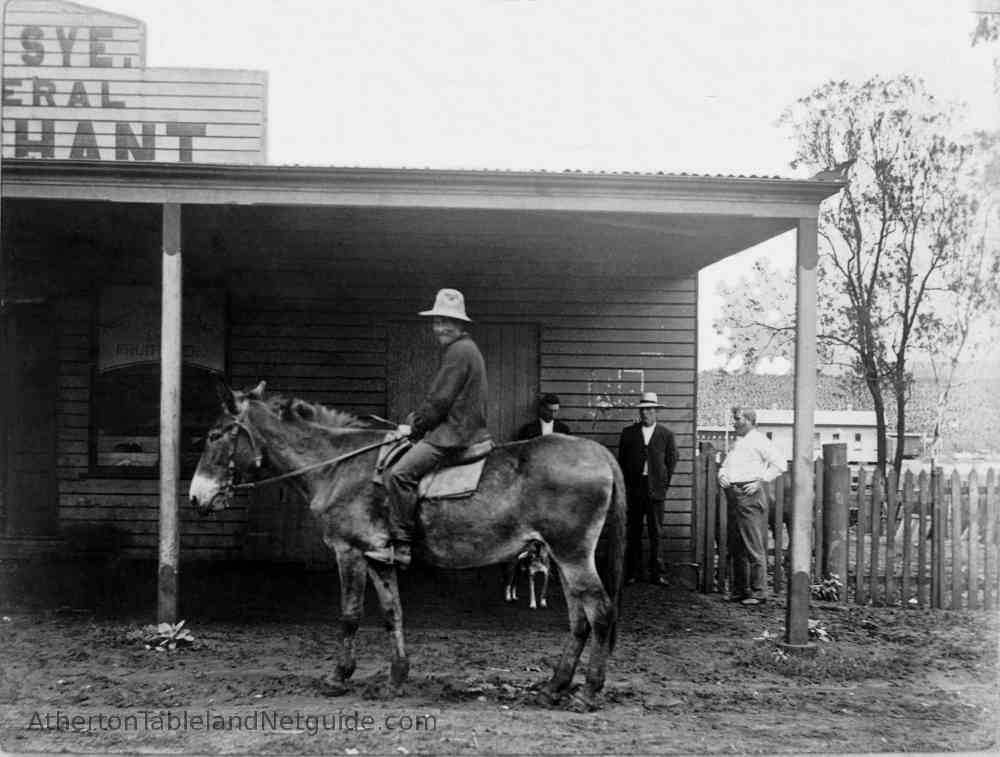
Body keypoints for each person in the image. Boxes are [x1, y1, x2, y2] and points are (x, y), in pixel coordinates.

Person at [365, 288, 491, 568]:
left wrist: (415, 427)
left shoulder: (459, 351)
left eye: (448, 321)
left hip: (454, 434)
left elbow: (440, 400)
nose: (441, 327)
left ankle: (401, 546)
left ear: (460, 325)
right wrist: (416, 420)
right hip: (462, 427)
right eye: (437, 321)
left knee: (399, 474)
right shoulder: (464, 349)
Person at [717, 406, 787, 605]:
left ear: (748, 420)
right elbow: (725, 467)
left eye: (737, 419)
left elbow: (780, 464)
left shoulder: (759, 440)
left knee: (753, 546)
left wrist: (760, 481)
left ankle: (759, 592)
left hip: (750, 497)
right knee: (736, 546)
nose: (734, 422)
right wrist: (721, 475)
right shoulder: (739, 443)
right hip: (733, 496)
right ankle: (741, 590)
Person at [617, 392, 677, 586]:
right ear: (640, 411)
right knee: (634, 531)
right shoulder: (628, 433)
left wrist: (663, 485)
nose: (646, 414)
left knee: (656, 532)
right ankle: (634, 572)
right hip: (635, 489)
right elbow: (622, 462)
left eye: (650, 410)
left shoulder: (666, 434)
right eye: (643, 410)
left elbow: (671, 461)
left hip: (656, 490)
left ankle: (657, 573)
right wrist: (627, 486)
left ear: (656, 411)